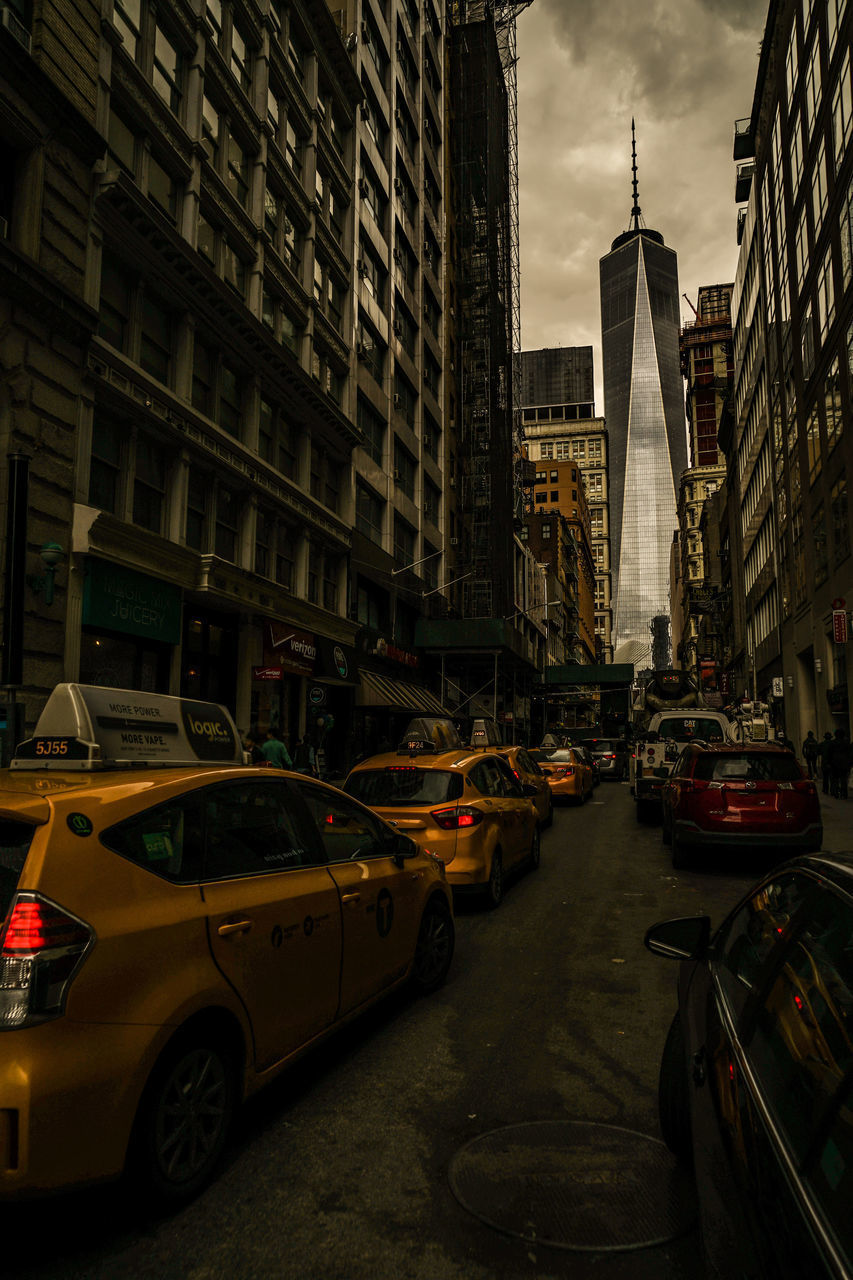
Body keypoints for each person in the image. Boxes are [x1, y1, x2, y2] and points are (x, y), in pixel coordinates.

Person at [829, 728, 851, 799]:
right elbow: (849, 753)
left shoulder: (832, 743)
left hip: (834, 762)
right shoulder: (846, 743)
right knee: (843, 778)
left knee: (835, 779)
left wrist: (829, 762)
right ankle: (844, 793)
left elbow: (829, 754)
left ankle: (836, 793)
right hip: (844, 763)